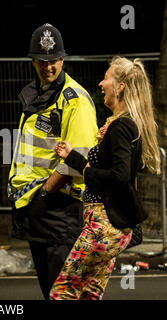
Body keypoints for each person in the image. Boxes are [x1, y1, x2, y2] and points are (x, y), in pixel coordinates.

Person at [50, 56, 161, 300]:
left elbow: (118, 176)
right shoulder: (120, 125)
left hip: (104, 226)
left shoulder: (121, 127)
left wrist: (87, 168)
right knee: (89, 294)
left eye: (107, 77)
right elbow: (110, 169)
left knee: (62, 293)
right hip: (108, 225)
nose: (101, 83)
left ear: (120, 86)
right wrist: (73, 157)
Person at [8, 23, 98, 299]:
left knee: (63, 293)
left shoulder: (75, 100)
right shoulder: (38, 95)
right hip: (38, 207)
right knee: (52, 292)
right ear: (34, 61)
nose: (48, 67)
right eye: (43, 60)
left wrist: (45, 193)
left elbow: (79, 157)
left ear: (63, 59)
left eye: (54, 60)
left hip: (60, 208)